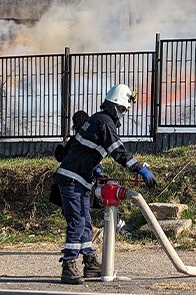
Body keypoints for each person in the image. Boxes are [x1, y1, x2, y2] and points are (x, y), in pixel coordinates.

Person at [53, 84, 158, 284]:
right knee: (77, 222)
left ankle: (90, 263)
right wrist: (140, 169)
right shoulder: (104, 122)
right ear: (113, 106)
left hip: (80, 179)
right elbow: (118, 151)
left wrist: (97, 170)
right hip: (72, 179)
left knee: (85, 221)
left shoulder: (97, 120)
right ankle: (69, 266)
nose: (122, 114)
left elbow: (80, 150)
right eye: (122, 109)